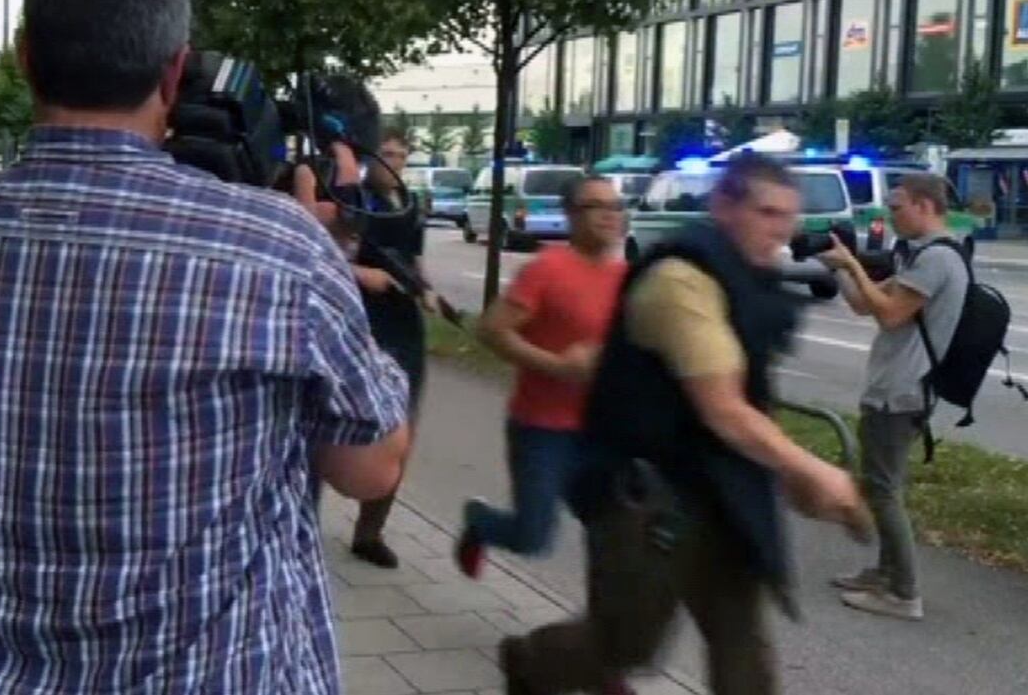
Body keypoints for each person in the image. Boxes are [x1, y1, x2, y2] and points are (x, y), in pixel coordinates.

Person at [0, 0, 411, 694]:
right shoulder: (276, 251)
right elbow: (370, 467)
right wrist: (317, 251)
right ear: (173, 73)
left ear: (26, 58)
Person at [498, 155, 870, 695]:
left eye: (787, 215)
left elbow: (750, 398)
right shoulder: (680, 280)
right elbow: (723, 407)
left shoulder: (748, 278)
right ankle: (531, 662)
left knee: (743, 648)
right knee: (624, 646)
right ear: (724, 207)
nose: (780, 228)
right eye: (766, 212)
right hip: (648, 500)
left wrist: (785, 474)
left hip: (724, 490)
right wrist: (811, 469)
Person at [455, 174, 628, 577]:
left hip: (603, 430)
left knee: (613, 536)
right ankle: (480, 521)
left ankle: (603, 629)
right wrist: (558, 366)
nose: (608, 215)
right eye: (594, 206)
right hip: (542, 428)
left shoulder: (628, 279)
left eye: (615, 206)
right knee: (534, 537)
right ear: (570, 215)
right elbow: (491, 330)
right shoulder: (548, 269)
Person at [817, 173, 968, 622]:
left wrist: (855, 265)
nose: (889, 214)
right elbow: (863, 304)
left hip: (901, 392)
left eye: (897, 205)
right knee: (882, 485)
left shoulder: (937, 260)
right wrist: (843, 266)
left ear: (925, 205)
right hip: (894, 388)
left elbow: (888, 315)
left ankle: (904, 593)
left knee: (884, 492)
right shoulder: (925, 256)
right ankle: (884, 574)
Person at [346, 128, 438, 569]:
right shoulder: (351, 199)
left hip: (403, 323)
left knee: (402, 430)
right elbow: (326, 253)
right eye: (385, 154)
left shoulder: (410, 203)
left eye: (400, 155)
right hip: (359, 319)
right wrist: (363, 275)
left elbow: (414, 259)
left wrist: (426, 289)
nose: (393, 162)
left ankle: (370, 532)